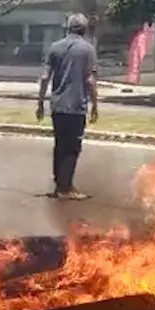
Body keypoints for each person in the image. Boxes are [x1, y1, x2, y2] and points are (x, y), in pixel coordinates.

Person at [36, 13, 99, 200]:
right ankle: (66, 188)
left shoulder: (55, 48)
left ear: (68, 28)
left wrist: (40, 102)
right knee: (72, 147)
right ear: (85, 30)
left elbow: (45, 77)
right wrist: (95, 105)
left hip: (57, 105)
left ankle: (60, 183)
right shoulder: (88, 50)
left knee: (60, 145)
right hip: (76, 105)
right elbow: (90, 80)